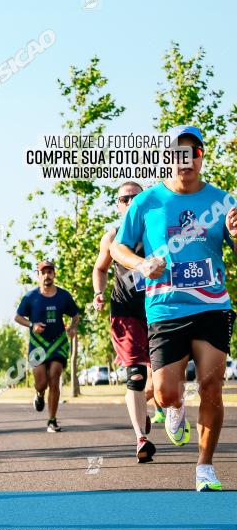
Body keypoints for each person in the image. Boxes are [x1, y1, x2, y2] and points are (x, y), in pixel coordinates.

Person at [111, 125, 237, 491]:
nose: (186, 161)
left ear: (201, 156)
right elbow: (120, 246)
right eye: (178, 154)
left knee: (212, 386)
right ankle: (176, 408)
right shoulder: (147, 202)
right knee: (165, 391)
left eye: (193, 153)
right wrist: (140, 264)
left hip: (212, 303)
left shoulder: (223, 201)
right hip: (165, 307)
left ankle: (205, 467)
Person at [93, 181, 159, 463]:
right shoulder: (112, 237)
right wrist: (98, 292)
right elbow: (100, 268)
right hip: (126, 312)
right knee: (135, 375)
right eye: (124, 198)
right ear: (118, 205)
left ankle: (144, 409)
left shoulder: (157, 232)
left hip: (158, 309)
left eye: (136, 197)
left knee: (160, 384)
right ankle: (140, 438)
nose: (130, 201)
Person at [14, 260, 79, 432]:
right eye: (43, 272)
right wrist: (31, 325)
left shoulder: (63, 296)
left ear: (54, 274)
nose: (47, 275)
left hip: (58, 342)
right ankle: (39, 394)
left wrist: (72, 328)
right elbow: (18, 317)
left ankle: (52, 420)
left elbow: (75, 315)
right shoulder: (30, 297)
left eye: (50, 272)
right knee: (41, 382)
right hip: (38, 344)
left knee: (55, 376)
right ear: (38, 275)